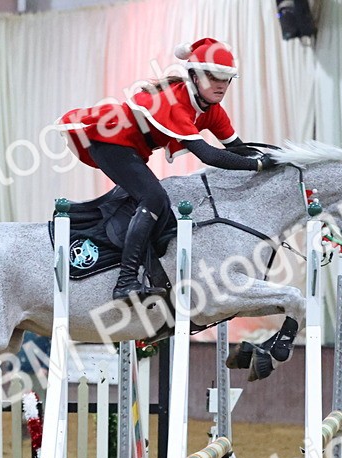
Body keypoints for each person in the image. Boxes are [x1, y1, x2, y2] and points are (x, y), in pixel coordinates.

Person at [59, 38, 276, 303]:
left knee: (154, 200)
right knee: (154, 198)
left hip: (132, 148)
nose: (221, 84)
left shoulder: (213, 111)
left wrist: (275, 159)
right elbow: (209, 154)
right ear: (194, 76)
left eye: (226, 78)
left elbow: (239, 150)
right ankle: (125, 281)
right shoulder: (176, 102)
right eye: (213, 76)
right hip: (110, 140)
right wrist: (258, 164)